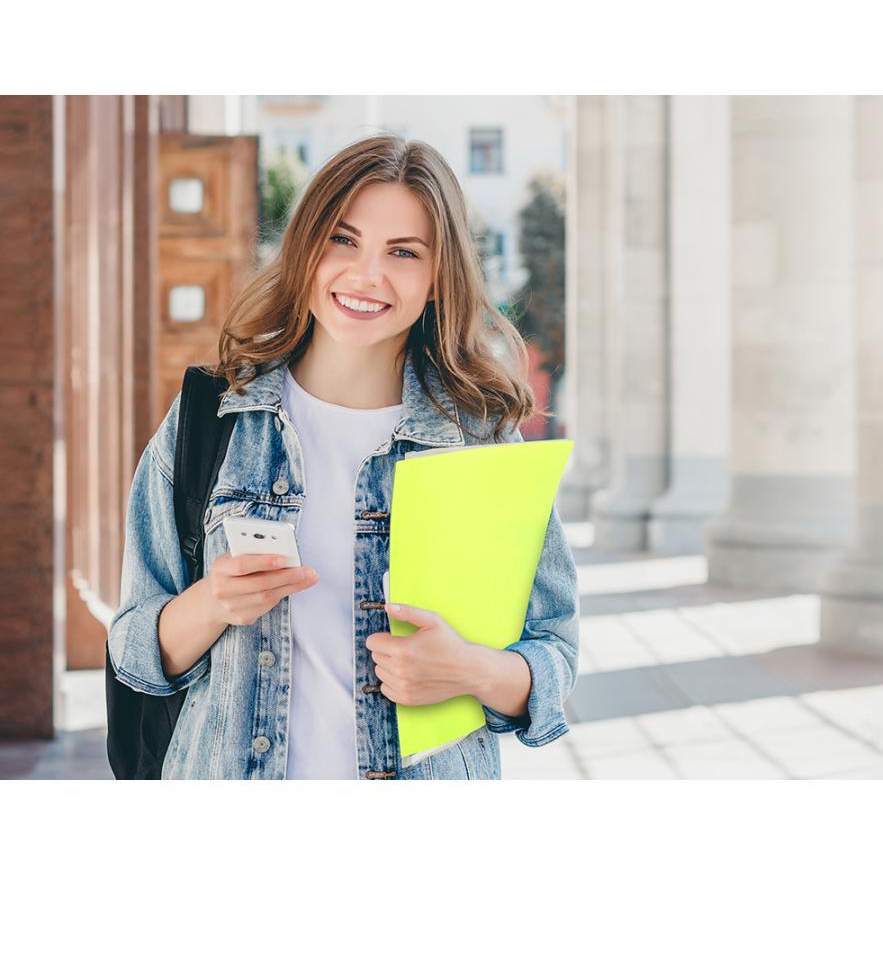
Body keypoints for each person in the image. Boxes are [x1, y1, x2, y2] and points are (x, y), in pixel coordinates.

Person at [107, 133, 579, 780]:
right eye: (343, 239)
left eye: (404, 252)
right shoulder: (210, 418)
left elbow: (554, 652)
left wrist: (473, 670)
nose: (367, 274)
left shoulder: (479, 438)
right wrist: (211, 603)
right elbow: (132, 646)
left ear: (439, 275)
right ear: (306, 247)